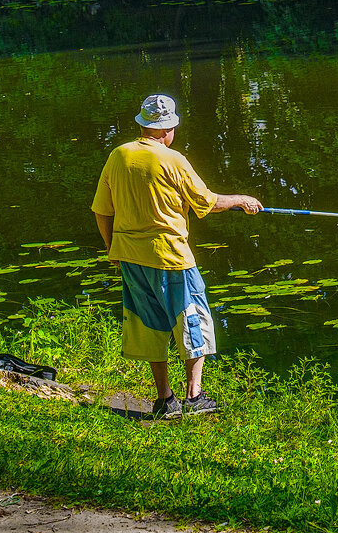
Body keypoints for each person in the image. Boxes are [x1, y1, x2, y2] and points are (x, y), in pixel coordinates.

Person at [92, 94, 263, 417]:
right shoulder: (174, 159)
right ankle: (194, 397)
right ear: (168, 128)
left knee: (150, 324)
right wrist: (242, 199)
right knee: (191, 319)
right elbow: (207, 203)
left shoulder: (118, 156)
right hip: (171, 257)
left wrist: (110, 248)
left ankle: (164, 400)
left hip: (129, 256)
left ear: (143, 124)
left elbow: (102, 211)